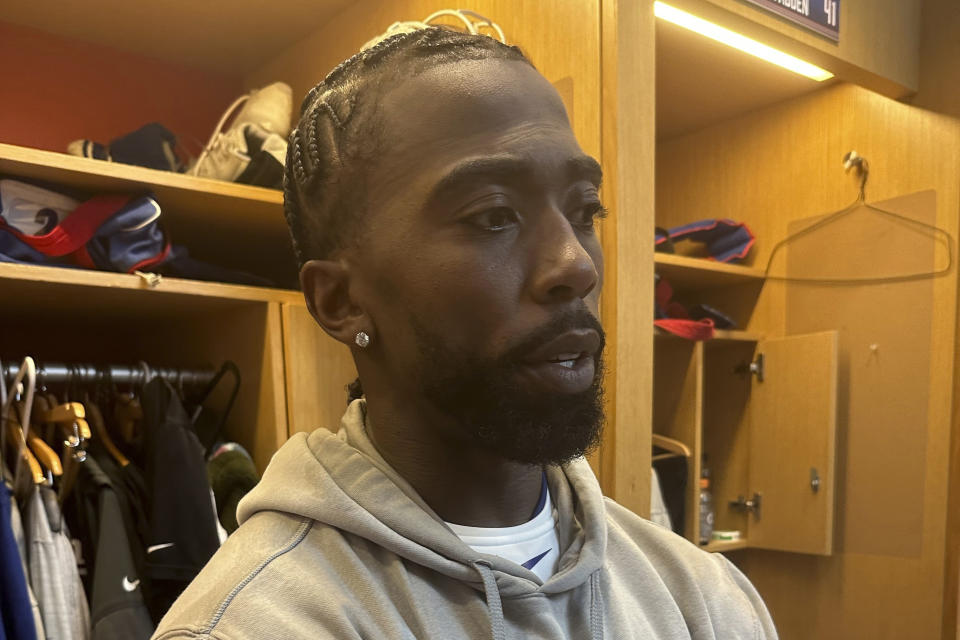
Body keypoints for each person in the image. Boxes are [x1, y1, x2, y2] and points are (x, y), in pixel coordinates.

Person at [153, 26, 777, 640]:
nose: (577, 265)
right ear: (342, 301)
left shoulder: (702, 598)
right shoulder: (249, 626)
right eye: (494, 216)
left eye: (585, 210)